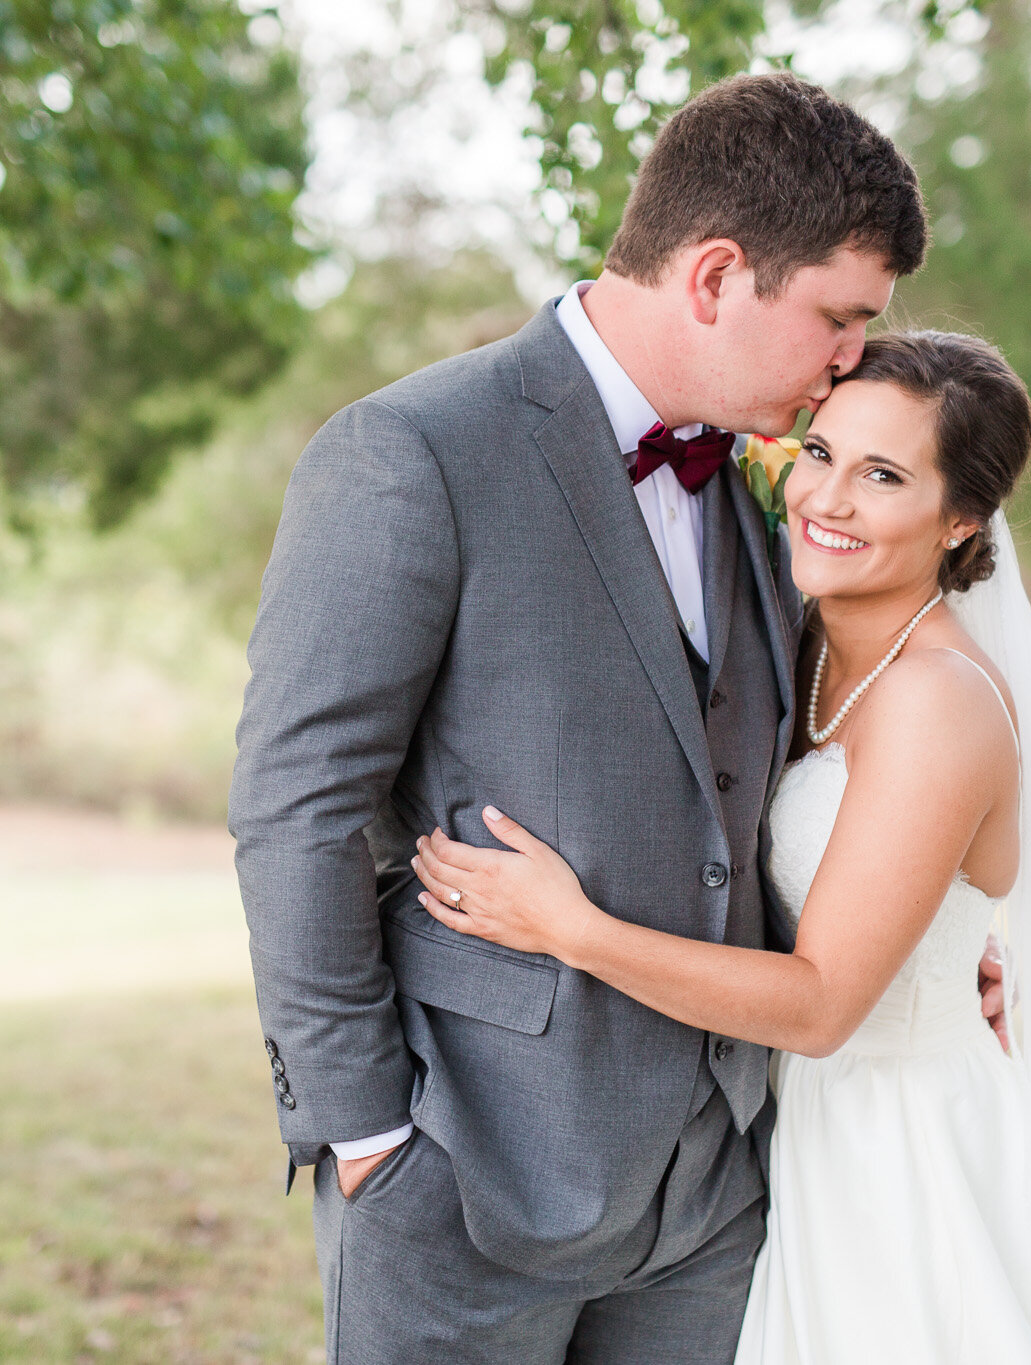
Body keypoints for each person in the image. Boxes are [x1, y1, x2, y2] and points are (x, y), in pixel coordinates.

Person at [231, 73, 969, 1362]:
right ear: (716, 275)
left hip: (716, 1193)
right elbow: (296, 808)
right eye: (837, 318)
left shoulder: (762, 488)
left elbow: (769, 787)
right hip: (467, 1180)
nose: (851, 360)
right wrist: (364, 1140)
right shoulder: (411, 453)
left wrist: (941, 944)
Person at [410, 331, 1031, 1362]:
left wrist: (569, 928)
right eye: (818, 453)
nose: (826, 500)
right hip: (781, 1140)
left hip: (901, 1155)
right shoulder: (798, 644)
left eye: (882, 476)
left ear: (960, 519)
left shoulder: (935, 701)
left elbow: (822, 1005)